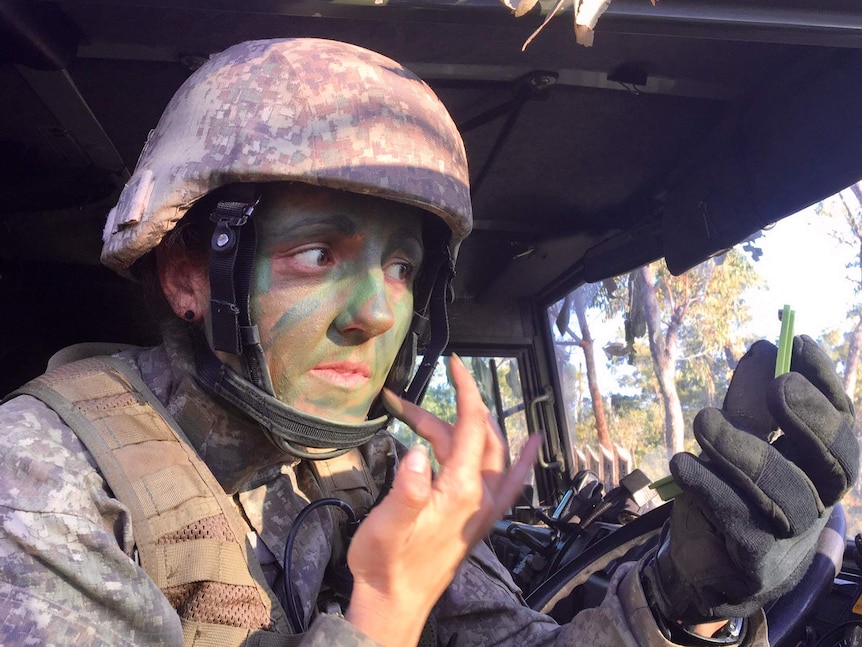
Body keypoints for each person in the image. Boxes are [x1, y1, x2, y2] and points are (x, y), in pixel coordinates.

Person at [0, 37, 856, 647]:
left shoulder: (372, 475)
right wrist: (384, 606)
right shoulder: (40, 479)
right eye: (315, 253)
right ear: (189, 275)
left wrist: (680, 602)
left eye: (402, 268)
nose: (375, 311)